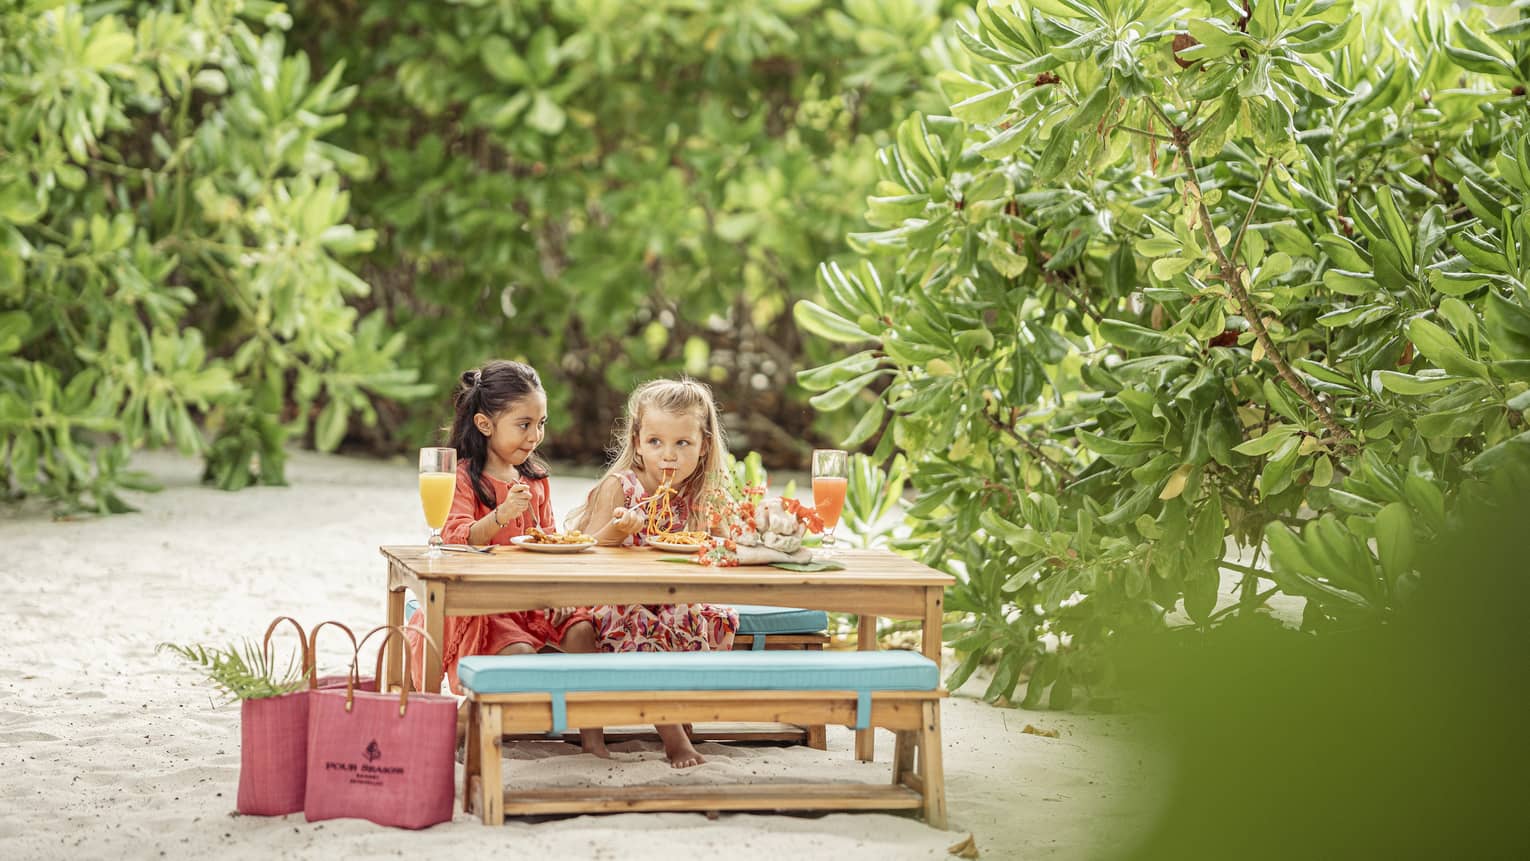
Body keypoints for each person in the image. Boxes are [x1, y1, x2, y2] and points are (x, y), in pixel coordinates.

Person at [406, 359, 607, 757]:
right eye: (524, 424)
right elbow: (455, 539)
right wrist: (500, 516)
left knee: (586, 631)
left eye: (542, 423)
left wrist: (560, 585)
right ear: (485, 424)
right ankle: (465, 721)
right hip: (486, 605)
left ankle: (592, 739)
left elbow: (547, 540)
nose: (535, 435)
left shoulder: (536, 480)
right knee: (519, 656)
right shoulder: (464, 477)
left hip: (535, 598)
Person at [568, 378, 740, 768]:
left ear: (704, 446)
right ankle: (675, 739)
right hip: (612, 602)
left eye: (683, 443)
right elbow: (582, 551)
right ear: (637, 442)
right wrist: (617, 530)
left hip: (674, 601)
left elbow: (725, 551)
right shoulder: (621, 487)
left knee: (700, 615)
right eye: (656, 442)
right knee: (643, 620)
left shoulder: (703, 495)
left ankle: (678, 713)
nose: (669, 456)